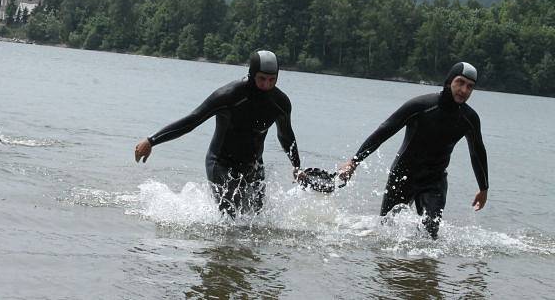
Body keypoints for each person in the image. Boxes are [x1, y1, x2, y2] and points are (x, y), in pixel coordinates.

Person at [134, 50, 301, 216]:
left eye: (272, 80)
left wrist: (297, 166)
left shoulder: (281, 103)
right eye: (262, 79)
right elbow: (193, 120)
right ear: (251, 74)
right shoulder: (229, 95)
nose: (266, 85)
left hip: (254, 166)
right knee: (230, 216)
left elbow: (285, 135)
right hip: (221, 163)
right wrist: (151, 141)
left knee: (256, 218)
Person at [338, 62, 489, 239]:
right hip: (403, 175)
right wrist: (354, 162)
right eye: (460, 82)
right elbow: (385, 130)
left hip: (434, 180)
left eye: (470, 86)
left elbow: (477, 151)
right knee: (384, 231)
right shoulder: (422, 105)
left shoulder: (469, 118)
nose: (464, 90)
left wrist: (483, 188)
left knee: (430, 233)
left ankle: (421, 264)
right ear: (449, 82)